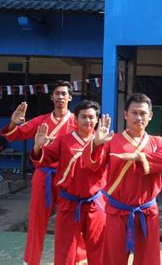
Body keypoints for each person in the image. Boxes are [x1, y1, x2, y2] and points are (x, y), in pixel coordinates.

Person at [0, 80, 86, 265]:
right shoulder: (41, 120)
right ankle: (31, 261)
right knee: (37, 222)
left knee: (71, 221)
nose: (60, 97)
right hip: (43, 176)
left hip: (68, 179)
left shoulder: (76, 122)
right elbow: (14, 135)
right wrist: (13, 123)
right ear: (51, 97)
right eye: (57, 93)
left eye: (64, 94)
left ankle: (76, 259)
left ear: (70, 97)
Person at [83, 93, 162, 265]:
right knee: (112, 259)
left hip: (147, 213)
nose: (138, 117)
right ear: (125, 114)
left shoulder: (157, 142)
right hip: (116, 212)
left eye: (143, 113)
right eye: (134, 113)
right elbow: (90, 164)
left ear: (150, 116)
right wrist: (95, 144)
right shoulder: (112, 140)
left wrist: (139, 158)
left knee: (148, 260)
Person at [31, 100, 106, 264]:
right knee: (65, 253)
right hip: (69, 205)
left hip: (95, 205)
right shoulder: (64, 140)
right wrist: (37, 146)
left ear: (97, 120)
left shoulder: (105, 142)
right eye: (83, 117)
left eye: (91, 117)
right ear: (75, 120)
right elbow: (43, 160)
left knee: (99, 252)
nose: (88, 121)